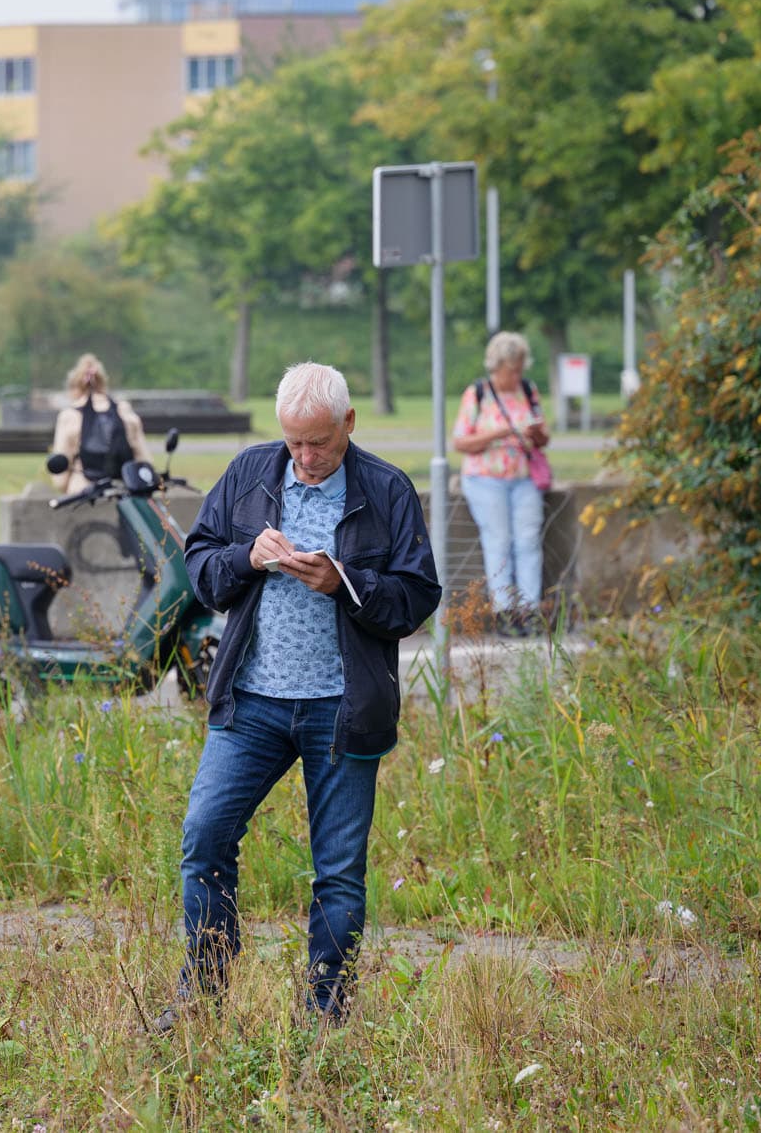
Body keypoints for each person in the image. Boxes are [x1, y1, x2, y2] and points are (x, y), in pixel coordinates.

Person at [160, 362, 441, 1029]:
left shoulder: (387, 489)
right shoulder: (250, 474)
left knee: (338, 873)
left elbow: (417, 597)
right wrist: (245, 558)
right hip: (250, 701)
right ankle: (203, 1000)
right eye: (294, 442)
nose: (306, 457)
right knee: (205, 834)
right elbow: (201, 568)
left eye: (318, 441)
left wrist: (344, 583)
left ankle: (325, 1018)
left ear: (348, 422)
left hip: (343, 707)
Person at [453, 331, 552, 634]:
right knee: (499, 541)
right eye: (512, 369)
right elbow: (460, 441)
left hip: (522, 478)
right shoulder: (478, 393)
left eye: (520, 368)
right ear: (498, 366)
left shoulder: (527, 390)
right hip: (486, 479)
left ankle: (529, 609)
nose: (517, 375)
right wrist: (502, 433)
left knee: (528, 541)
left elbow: (544, 438)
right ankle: (504, 610)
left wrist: (534, 433)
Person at [49, 353, 152, 494]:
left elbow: (60, 478)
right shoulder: (125, 412)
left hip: (85, 490)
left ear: (74, 387)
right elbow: (144, 459)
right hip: (124, 490)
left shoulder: (69, 416)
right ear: (103, 383)